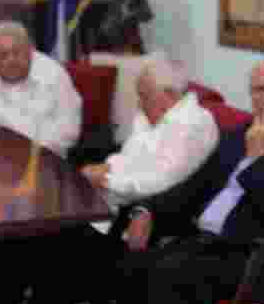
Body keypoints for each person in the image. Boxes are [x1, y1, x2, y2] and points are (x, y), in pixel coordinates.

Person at [84, 56, 264, 304]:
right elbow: (193, 188)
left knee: (164, 277)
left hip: (248, 253)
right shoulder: (237, 135)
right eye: (259, 89)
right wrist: (147, 210)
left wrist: (259, 160)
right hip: (199, 240)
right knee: (126, 266)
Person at [79, 57, 220, 206]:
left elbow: (162, 180)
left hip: (147, 209)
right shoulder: (152, 113)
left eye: (144, 96)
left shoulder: (194, 123)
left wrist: (106, 181)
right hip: (113, 197)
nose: (140, 103)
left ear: (169, 95)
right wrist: (107, 167)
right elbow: (131, 155)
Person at [0, 20, 82, 157]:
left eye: (17, 53)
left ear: (30, 51)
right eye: (3, 55)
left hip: (45, 159)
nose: (11, 60)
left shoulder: (54, 74)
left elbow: (69, 129)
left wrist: (30, 149)